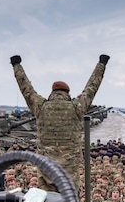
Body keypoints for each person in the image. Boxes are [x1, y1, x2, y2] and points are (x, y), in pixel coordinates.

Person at [10, 54, 110, 192]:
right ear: (67, 92)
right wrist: (102, 64)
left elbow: (26, 89)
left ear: (53, 92)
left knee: (47, 200)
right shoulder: (76, 107)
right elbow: (91, 88)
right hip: (70, 163)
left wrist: (16, 65)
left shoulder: (41, 106)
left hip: (46, 163)